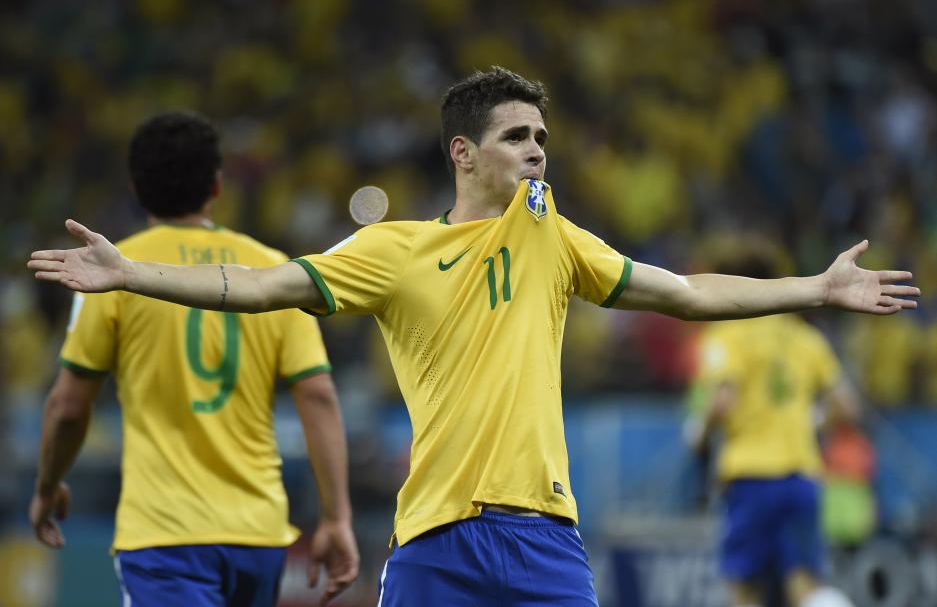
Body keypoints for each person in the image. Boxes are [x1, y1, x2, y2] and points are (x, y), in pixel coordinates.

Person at [28, 68, 919, 606]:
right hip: (435, 540)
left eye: (542, 136)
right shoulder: (394, 251)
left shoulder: (553, 238)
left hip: (544, 536)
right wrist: (132, 272)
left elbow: (684, 292)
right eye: (517, 136)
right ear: (462, 153)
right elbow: (261, 284)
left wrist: (816, 287)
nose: (538, 150)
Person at [28, 111, 359, 607]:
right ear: (217, 186)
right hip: (258, 534)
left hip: (165, 532)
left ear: (136, 189)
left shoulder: (113, 270)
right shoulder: (273, 268)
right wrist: (336, 517)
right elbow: (317, 395)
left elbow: (69, 406)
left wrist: (48, 486)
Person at [685, 236, 861, 607]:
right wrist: (813, 420)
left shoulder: (727, 333)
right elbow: (847, 407)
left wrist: (699, 435)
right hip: (802, 475)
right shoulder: (807, 337)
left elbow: (723, 399)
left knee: (745, 589)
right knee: (803, 587)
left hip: (751, 476)